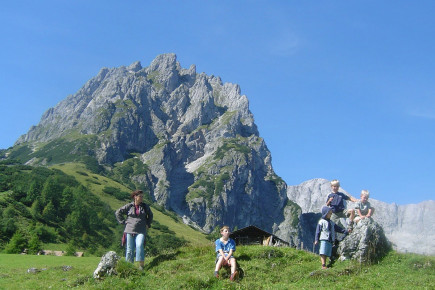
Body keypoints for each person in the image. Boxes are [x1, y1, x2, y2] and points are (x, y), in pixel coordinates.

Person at [115, 190, 153, 270]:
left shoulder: (145, 207)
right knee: (129, 249)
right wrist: (123, 222)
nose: (142, 198)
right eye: (140, 196)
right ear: (135, 197)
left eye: (142, 196)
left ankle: (141, 266)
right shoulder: (129, 206)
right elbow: (118, 212)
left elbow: (150, 215)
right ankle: (129, 267)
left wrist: (148, 224)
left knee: (139, 245)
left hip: (141, 230)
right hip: (129, 230)